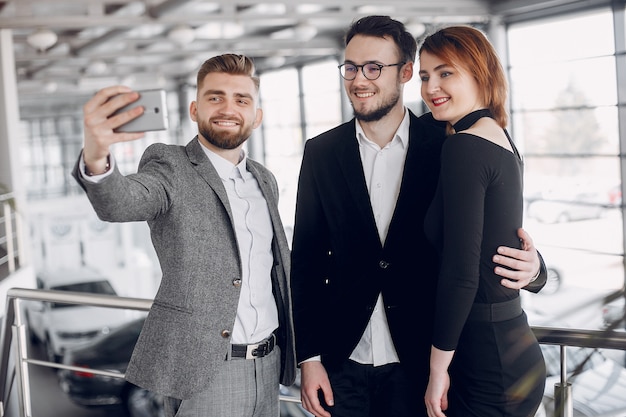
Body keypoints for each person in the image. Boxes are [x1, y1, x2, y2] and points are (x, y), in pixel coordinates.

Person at [290, 15, 546, 417]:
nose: (360, 79)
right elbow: (304, 261)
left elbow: (485, 230)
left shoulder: (446, 143)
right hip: (341, 366)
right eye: (351, 67)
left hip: (421, 362)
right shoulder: (320, 152)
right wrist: (308, 358)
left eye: (374, 67)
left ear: (405, 72)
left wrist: (534, 269)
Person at [71, 53, 296, 417]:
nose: (228, 108)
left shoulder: (264, 179)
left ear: (257, 115)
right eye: (215, 97)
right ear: (195, 109)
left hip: (270, 364)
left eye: (242, 99)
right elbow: (120, 203)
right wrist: (97, 153)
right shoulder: (170, 166)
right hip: (207, 371)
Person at [419, 26, 546, 417]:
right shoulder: (499, 138)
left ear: (480, 74)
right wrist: (536, 267)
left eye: (445, 73)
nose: (430, 87)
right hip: (512, 347)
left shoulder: (464, 147)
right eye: (424, 76)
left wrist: (437, 369)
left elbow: (462, 272)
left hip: (485, 360)